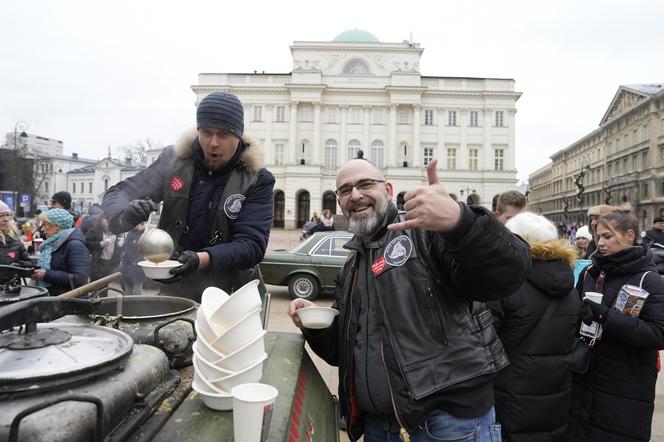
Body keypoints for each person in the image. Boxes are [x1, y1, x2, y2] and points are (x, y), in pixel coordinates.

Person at [287, 158, 531, 441]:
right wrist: (314, 324)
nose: (355, 195)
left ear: (388, 190)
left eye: (365, 184)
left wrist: (460, 222)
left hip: (446, 425)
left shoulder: (427, 234)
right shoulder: (352, 266)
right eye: (345, 189)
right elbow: (342, 354)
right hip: (380, 427)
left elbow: (510, 272)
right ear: (339, 201)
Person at [102, 92, 275, 301]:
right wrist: (126, 215)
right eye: (206, 132)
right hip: (175, 289)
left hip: (230, 295)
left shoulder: (256, 178)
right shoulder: (174, 162)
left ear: (238, 136)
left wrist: (200, 259)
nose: (213, 142)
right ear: (198, 130)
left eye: (223, 134)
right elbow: (118, 193)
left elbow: (252, 246)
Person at [569, 211, 664, 441]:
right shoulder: (590, 272)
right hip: (584, 376)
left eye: (608, 236)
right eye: (598, 236)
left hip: (625, 386)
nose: (600, 242)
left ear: (629, 235)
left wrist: (604, 316)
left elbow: (657, 334)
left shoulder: (648, 279)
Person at [486, 212, 579, 441]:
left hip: (509, 397)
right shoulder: (571, 288)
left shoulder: (506, 286)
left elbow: (482, 343)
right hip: (555, 397)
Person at [31, 208, 90, 296]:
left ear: (57, 226)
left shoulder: (75, 245)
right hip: (56, 300)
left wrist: (47, 274)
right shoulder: (53, 243)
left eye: (45, 225)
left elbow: (80, 279)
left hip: (69, 303)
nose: (42, 229)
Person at [0, 201, 32, 280]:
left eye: (8, 215)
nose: (6, 219)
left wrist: (18, 266)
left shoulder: (16, 240)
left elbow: (29, 264)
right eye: (1, 216)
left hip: (12, 289)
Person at [119, 223, 146, 295]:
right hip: (127, 266)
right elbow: (127, 250)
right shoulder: (130, 234)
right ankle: (128, 305)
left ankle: (136, 306)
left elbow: (145, 251)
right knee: (127, 291)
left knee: (137, 291)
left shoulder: (145, 235)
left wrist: (138, 261)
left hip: (138, 268)